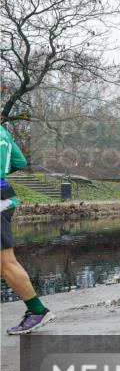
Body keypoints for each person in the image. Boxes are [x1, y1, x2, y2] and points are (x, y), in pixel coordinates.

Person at [1, 124, 55, 334]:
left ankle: (38, 311)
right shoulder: (3, 131)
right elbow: (19, 162)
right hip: (4, 195)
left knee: (6, 263)